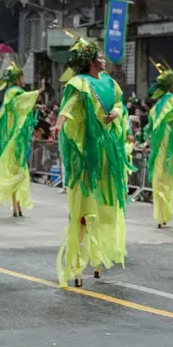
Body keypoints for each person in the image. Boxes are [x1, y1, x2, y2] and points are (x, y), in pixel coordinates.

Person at [52, 36, 130, 288]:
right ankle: (76, 266)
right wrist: (59, 122)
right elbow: (70, 105)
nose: (103, 59)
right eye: (99, 56)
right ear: (89, 61)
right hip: (88, 155)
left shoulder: (109, 82)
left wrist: (115, 113)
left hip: (108, 153)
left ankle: (97, 260)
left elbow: (119, 103)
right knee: (85, 211)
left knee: (105, 206)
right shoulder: (79, 83)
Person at [0, 63, 45, 217]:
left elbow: (23, 105)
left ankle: (17, 205)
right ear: (17, 78)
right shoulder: (13, 92)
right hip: (13, 137)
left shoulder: (15, 93)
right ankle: (15, 205)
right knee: (16, 170)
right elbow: (22, 101)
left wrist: (37, 107)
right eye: (22, 77)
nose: (24, 79)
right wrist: (38, 91)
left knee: (20, 170)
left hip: (19, 138)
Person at [145, 64, 173, 228]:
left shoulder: (158, 104)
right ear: (171, 85)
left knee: (159, 174)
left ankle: (161, 214)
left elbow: (151, 123)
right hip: (168, 141)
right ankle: (165, 212)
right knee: (170, 174)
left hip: (158, 142)